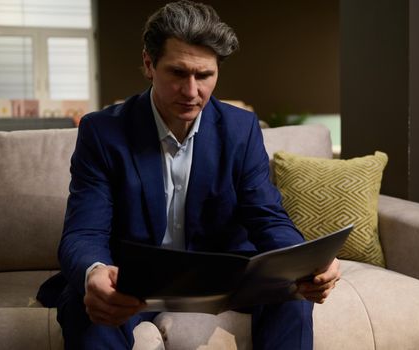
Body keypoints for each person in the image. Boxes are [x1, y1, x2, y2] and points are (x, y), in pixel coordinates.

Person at [43, 1, 341, 348]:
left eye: (204, 75)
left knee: (293, 299)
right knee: (87, 310)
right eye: (178, 73)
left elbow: (267, 216)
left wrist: (307, 263)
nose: (191, 91)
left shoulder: (240, 129)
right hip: (132, 278)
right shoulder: (102, 132)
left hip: (223, 277)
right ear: (148, 64)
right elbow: (83, 231)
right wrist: (95, 272)